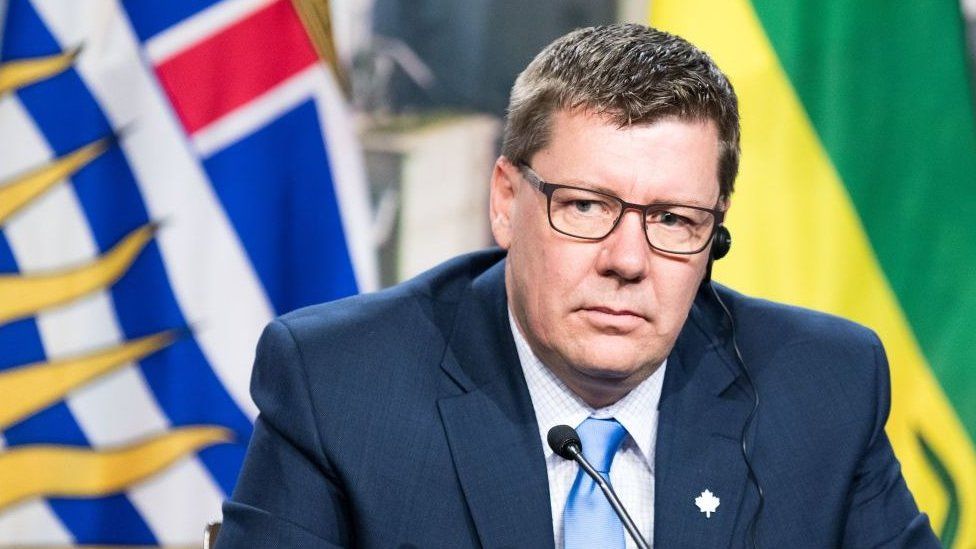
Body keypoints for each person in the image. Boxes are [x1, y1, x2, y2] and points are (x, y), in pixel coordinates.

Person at [215, 23, 938, 548]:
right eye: (587, 206)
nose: (628, 259)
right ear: (505, 199)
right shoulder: (342, 385)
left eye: (674, 218)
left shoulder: (822, 388)